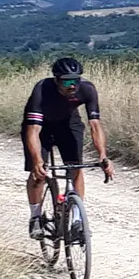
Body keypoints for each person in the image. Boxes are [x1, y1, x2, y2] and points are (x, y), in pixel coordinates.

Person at [22, 56, 113, 237]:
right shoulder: (42, 90)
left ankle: (77, 220)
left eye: (75, 80)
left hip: (68, 123)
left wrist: (103, 155)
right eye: (66, 82)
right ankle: (35, 217)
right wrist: (37, 161)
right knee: (38, 173)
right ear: (56, 80)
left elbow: (95, 125)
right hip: (41, 126)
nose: (72, 86)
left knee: (76, 167)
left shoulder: (87, 89)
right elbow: (33, 131)